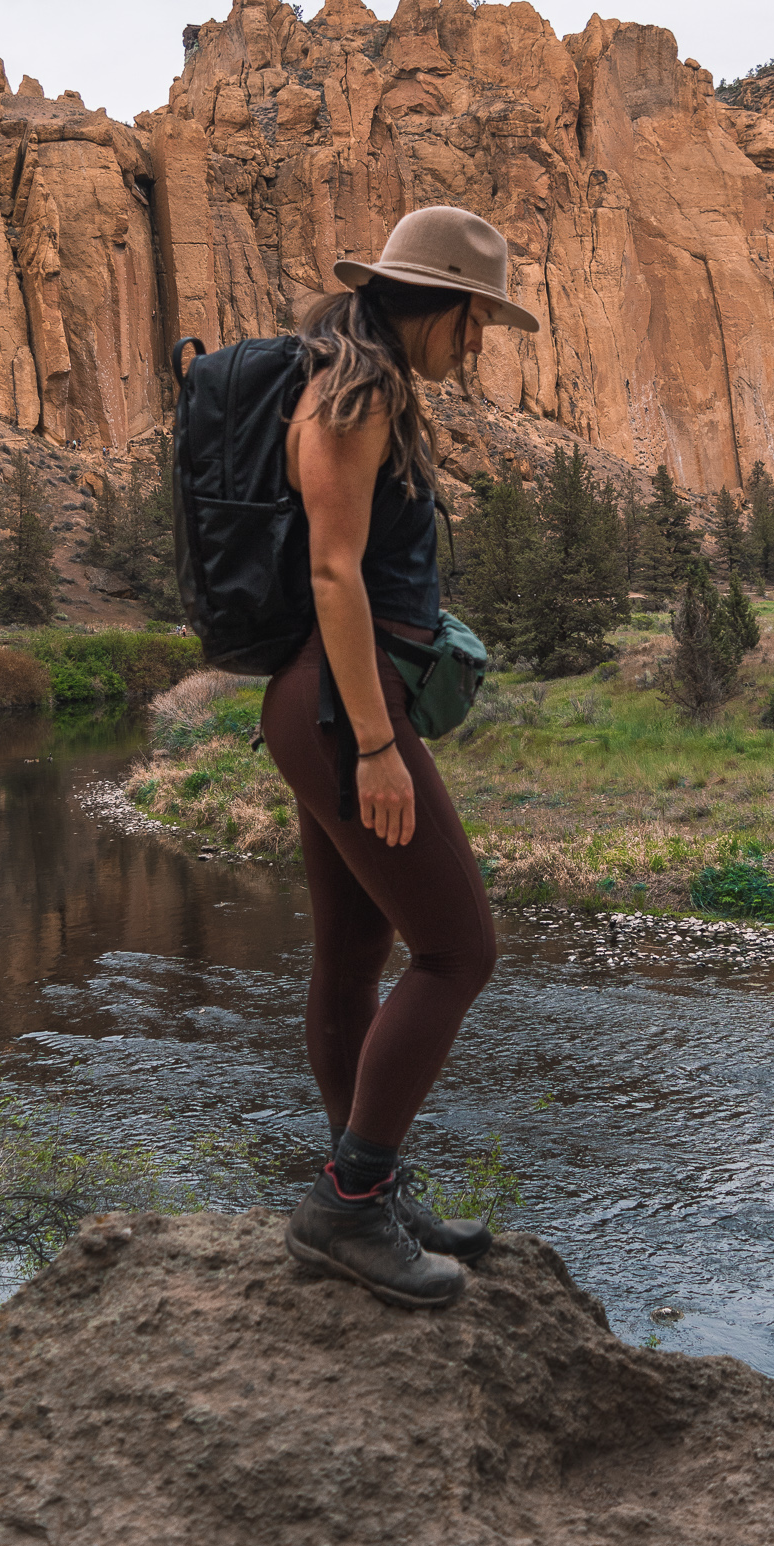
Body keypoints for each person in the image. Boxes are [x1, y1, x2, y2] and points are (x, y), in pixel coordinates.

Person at [262, 205, 540, 1310]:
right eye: (471, 318)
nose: (474, 342)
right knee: (458, 949)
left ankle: (360, 1189)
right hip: (339, 706)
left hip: (323, 699)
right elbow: (334, 572)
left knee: (352, 950)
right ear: (435, 302)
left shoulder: (350, 372)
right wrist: (376, 741)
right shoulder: (358, 388)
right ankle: (348, 1195)